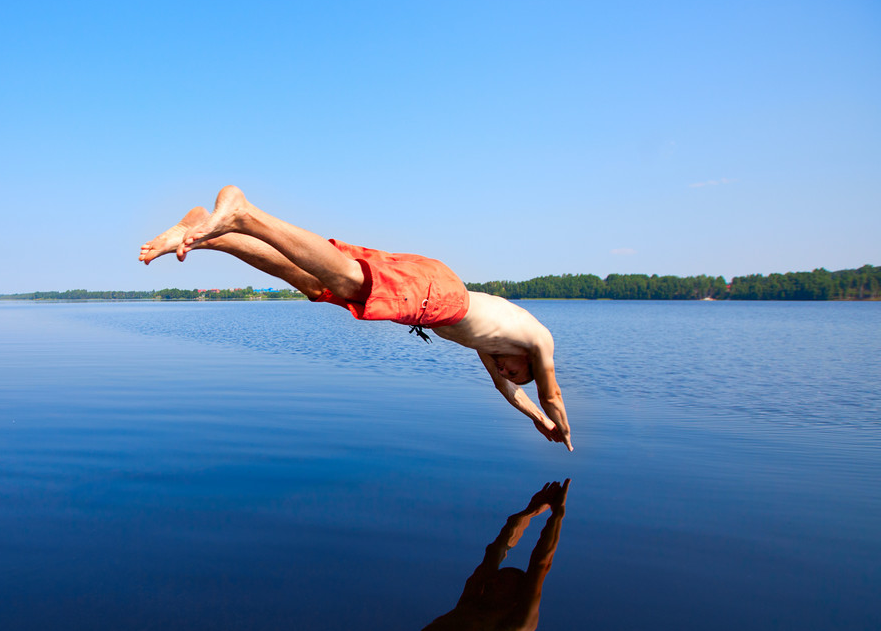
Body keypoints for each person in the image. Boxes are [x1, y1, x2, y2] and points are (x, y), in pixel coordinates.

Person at [140, 186, 572, 451]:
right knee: (346, 280)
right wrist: (560, 429)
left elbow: (507, 391)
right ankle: (244, 213)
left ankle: (210, 234)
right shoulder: (538, 340)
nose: (506, 372)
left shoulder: (491, 345)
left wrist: (534, 419)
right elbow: (550, 394)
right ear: (527, 361)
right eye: (517, 372)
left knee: (315, 286)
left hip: (433, 290)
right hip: (438, 295)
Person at [400, 480, 570, 631]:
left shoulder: (516, 627)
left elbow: (541, 564)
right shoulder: (471, 604)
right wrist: (529, 512)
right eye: (496, 578)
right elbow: (496, 550)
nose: (491, 582)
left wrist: (557, 514)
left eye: (501, 583)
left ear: (515, 598)